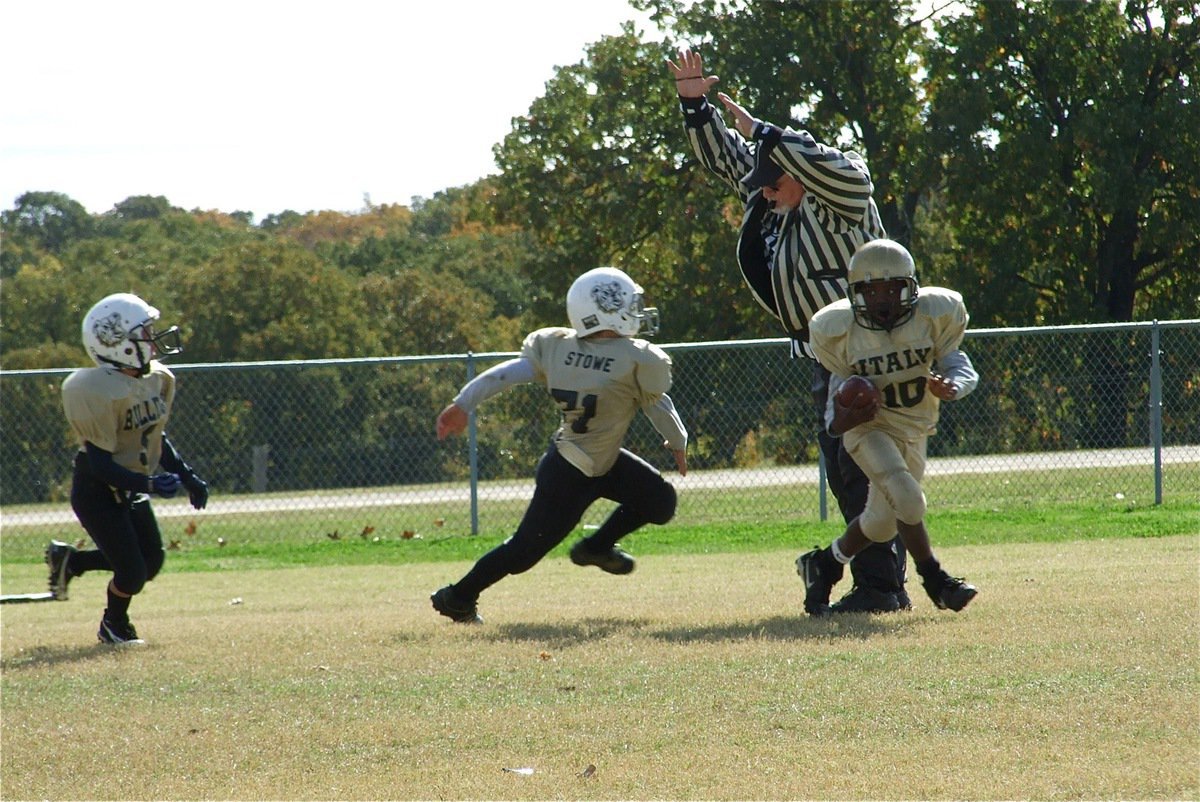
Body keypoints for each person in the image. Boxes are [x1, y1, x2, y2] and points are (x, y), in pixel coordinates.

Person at [668, 47, 907, 613]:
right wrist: (696, 106)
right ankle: (871, 578)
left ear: (799, 174)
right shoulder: (775, 192)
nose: (764, 195)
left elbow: (841, 169)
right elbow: (730, 161)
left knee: (862, 467)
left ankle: (880, 587)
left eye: (774, 185)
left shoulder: (842, 197)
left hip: (869, 348)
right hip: (826, 354)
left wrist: (769, 132)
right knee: (848, 467)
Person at [430, 267, 688, 624]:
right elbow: (657, 401)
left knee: (660, 500)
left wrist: (463, 403)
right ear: (608, 309)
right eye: (630, 303)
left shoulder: (559, 348)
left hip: (602, 460)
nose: (638, 310)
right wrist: (677, 440)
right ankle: (457, 596)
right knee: (522, 553)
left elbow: (504, 374)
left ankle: (595, 548)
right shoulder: (637, 357)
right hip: (569, 472)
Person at [798, 239, 979, 615]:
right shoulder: (839, 330)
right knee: (909, 498)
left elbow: (957, 364)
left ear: (909, 287)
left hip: (914, 430)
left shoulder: (934, 315)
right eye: (871, 290)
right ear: (856, 293)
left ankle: (823, 565)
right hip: (870, 431)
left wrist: (953, 386)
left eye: (891, 288)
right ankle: (937, 580)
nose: (881, 299)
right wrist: (847, 417)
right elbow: (835, 413)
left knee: (881, 524)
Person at [45, 292, 209, 645]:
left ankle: (70, 562)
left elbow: (153, 437)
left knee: (151, 561)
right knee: (132, 572)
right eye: (145, 333)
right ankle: (113, 626)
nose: (153, 339)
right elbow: (101, 465)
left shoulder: (155, 379)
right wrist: (149, 484)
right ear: (117, 343)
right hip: (97, 489)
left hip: (130, 484)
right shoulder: (92, 389)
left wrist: (186, 474)